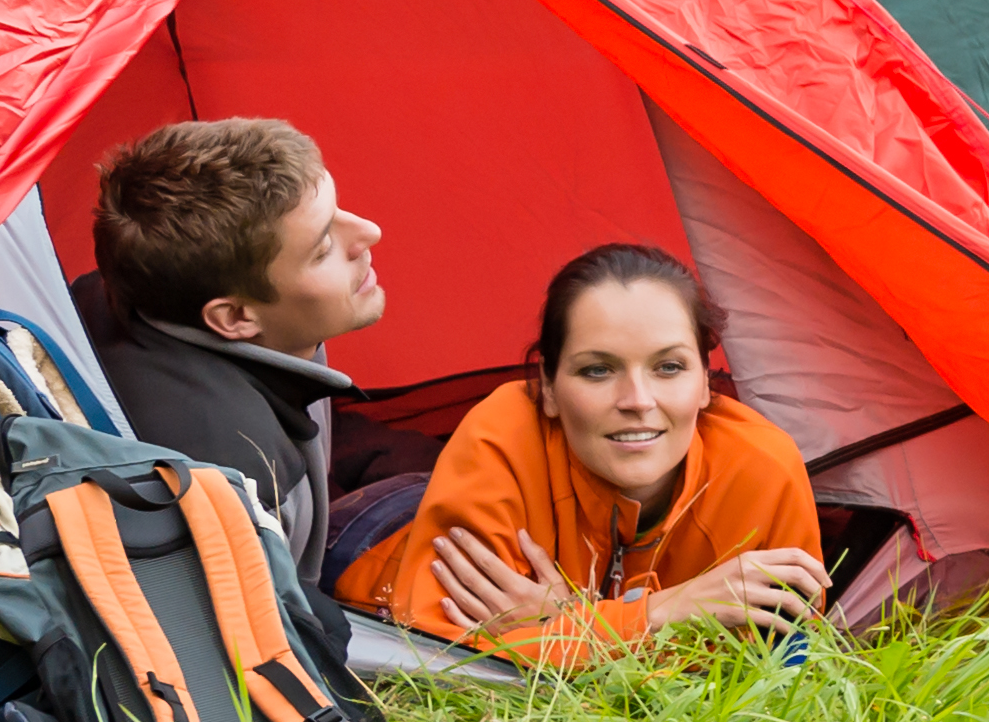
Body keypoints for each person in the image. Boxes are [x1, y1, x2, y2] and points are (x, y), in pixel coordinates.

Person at [335, 245, 829, 667]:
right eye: (597, 370)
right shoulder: (502, 430)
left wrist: (567, 618)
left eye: (669, 367)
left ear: (705, 382)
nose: (637, 399)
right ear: (548, 387)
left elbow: (773, 679)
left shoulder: (765, 471)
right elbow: (437, 650)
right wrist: (661, 613)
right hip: (377, 531)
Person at [74, 118, 388, 567]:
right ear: (236, 317)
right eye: (321, 250)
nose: (369, 232)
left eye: (338, 211)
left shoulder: (127, 291)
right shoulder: (235, 480)